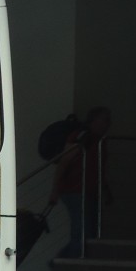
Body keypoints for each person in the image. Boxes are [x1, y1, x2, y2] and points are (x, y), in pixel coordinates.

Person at [50, 106, 112, 257]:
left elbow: (97, 169)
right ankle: (67, 263)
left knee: (89, 232)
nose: (108, 124)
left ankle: (62, 261)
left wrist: (105, 190)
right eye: (105, 120)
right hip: (74, 191)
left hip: (89, 192)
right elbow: (64, 162)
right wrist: (54, 191)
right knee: (82, 230)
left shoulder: (100, 142)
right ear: (94, 120)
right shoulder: (83, 137)